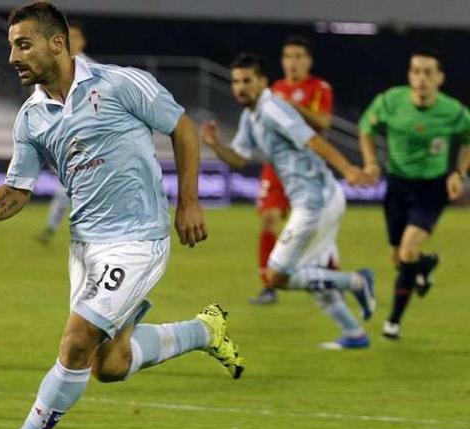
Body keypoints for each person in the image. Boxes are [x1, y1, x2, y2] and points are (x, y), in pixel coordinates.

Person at [0, 2, 244, 429]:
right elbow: (20, 188)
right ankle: (204, 331)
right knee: (109, 365)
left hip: (138, 241)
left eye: (22, 44)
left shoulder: (119, 84)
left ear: (57, 44)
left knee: (74, 343)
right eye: (11, 46)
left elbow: (182, 127)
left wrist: (189, 202)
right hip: (85, 248)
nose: (12, 57)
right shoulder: (31, 119)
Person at [201, 53, 376, 350]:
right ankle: (354, 333)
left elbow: (313, 139)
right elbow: (241, 159)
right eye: (235, 82)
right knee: (309, 274)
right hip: (313, 199)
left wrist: (348, 169)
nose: (240, 87)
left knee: (277, 275)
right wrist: (216, 145)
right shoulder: (251, 116)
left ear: (262, 82)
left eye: (247, 81)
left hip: (316, 200)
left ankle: (357, 281)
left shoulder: (272, 108)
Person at [358, 49, 470, 340]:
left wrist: (459, 172)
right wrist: (370, 162)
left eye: (428, 73)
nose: (421, 79)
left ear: (439, 78)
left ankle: (393, 322)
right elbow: (365, 128)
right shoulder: (390, 101)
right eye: (416, 72)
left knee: (407, 250)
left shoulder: (453, 111)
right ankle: (425, 265)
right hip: (397, 186)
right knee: (399, 258)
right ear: (410, 76)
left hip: (432, 189)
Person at [251, 35, 334, 305]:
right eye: (288, 57)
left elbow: (322, 123)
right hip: (276, 167)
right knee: (269, 219)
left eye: (298, 56)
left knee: (313, 227)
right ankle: (268, 286)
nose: (292, 62)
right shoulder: (274, 88)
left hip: (306, 168)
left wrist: (290, 106)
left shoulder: (319, 88)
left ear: (308, 61)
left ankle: (331, 276)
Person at [34, 21, 91, 245]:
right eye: (69, 37)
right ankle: (53, 229)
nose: (72, 41)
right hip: (66, 140)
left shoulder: (94, 71)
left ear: (83, 42)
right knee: (68, 187)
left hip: (91, 140)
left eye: (76, 37)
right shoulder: (50, 70)